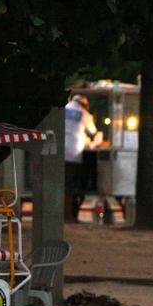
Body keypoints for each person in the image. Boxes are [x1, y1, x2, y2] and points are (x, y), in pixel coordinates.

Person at [64, 95, 99, 223]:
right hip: (73, 154)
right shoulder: (84, 114)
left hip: (58, 153)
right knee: (71, 187)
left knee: (61, 185)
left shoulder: (62, 109)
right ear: (84, 104)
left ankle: (61, 215)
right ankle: (68, 216)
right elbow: (93, 133)